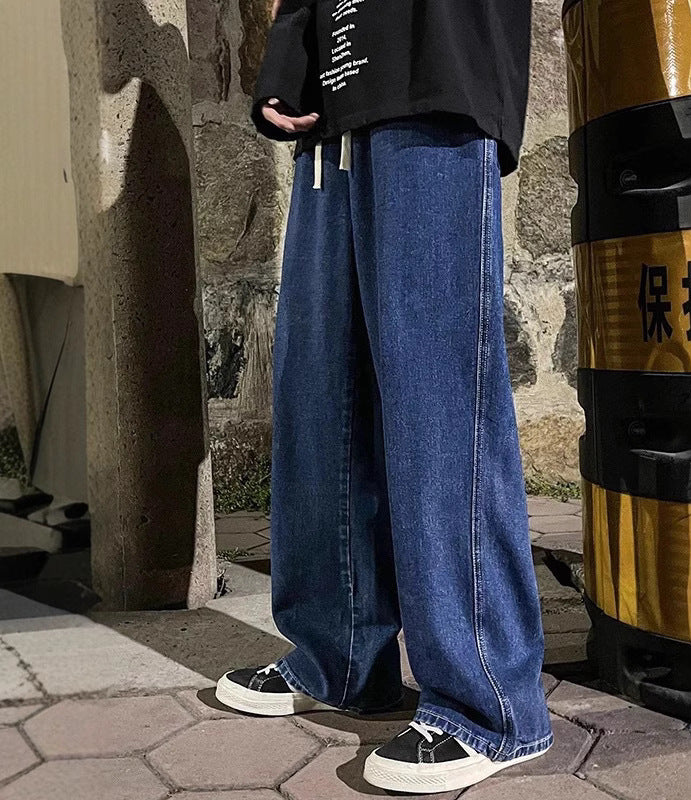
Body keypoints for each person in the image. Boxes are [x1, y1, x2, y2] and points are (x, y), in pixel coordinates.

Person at [215, 0, 553, 792]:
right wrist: (288, 56)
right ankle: (338, 657)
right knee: (320, 401)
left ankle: (491, 705)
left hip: (435, 73)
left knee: (438, 395)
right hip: (336, 104)